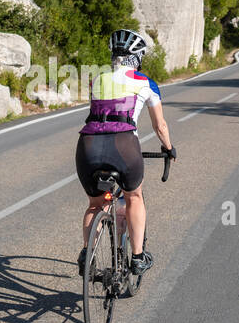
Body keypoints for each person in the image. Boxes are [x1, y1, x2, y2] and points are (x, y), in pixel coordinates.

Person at [75, 28, 176, 278]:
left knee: (95, 204)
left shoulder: (97, 80)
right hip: (123, 146)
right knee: (134, 197)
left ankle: (87, 254)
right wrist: (169, 148)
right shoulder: (145, 82)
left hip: (88, 145)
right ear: (138, 56)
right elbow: (159, 125)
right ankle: (138, 257)